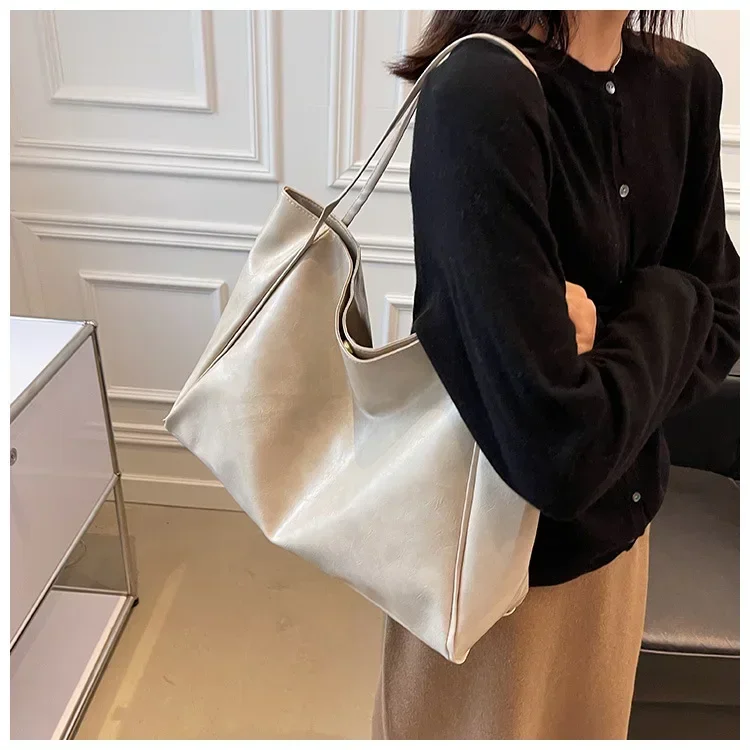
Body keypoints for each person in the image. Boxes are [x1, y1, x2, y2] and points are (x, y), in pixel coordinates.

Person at [371, 10, 740, 740]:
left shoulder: (686, 84)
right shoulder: (479, 92)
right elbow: (558, 455)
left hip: (620, 560)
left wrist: (627, 322)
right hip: (487, 577)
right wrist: (674, 296)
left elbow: (723, 326)